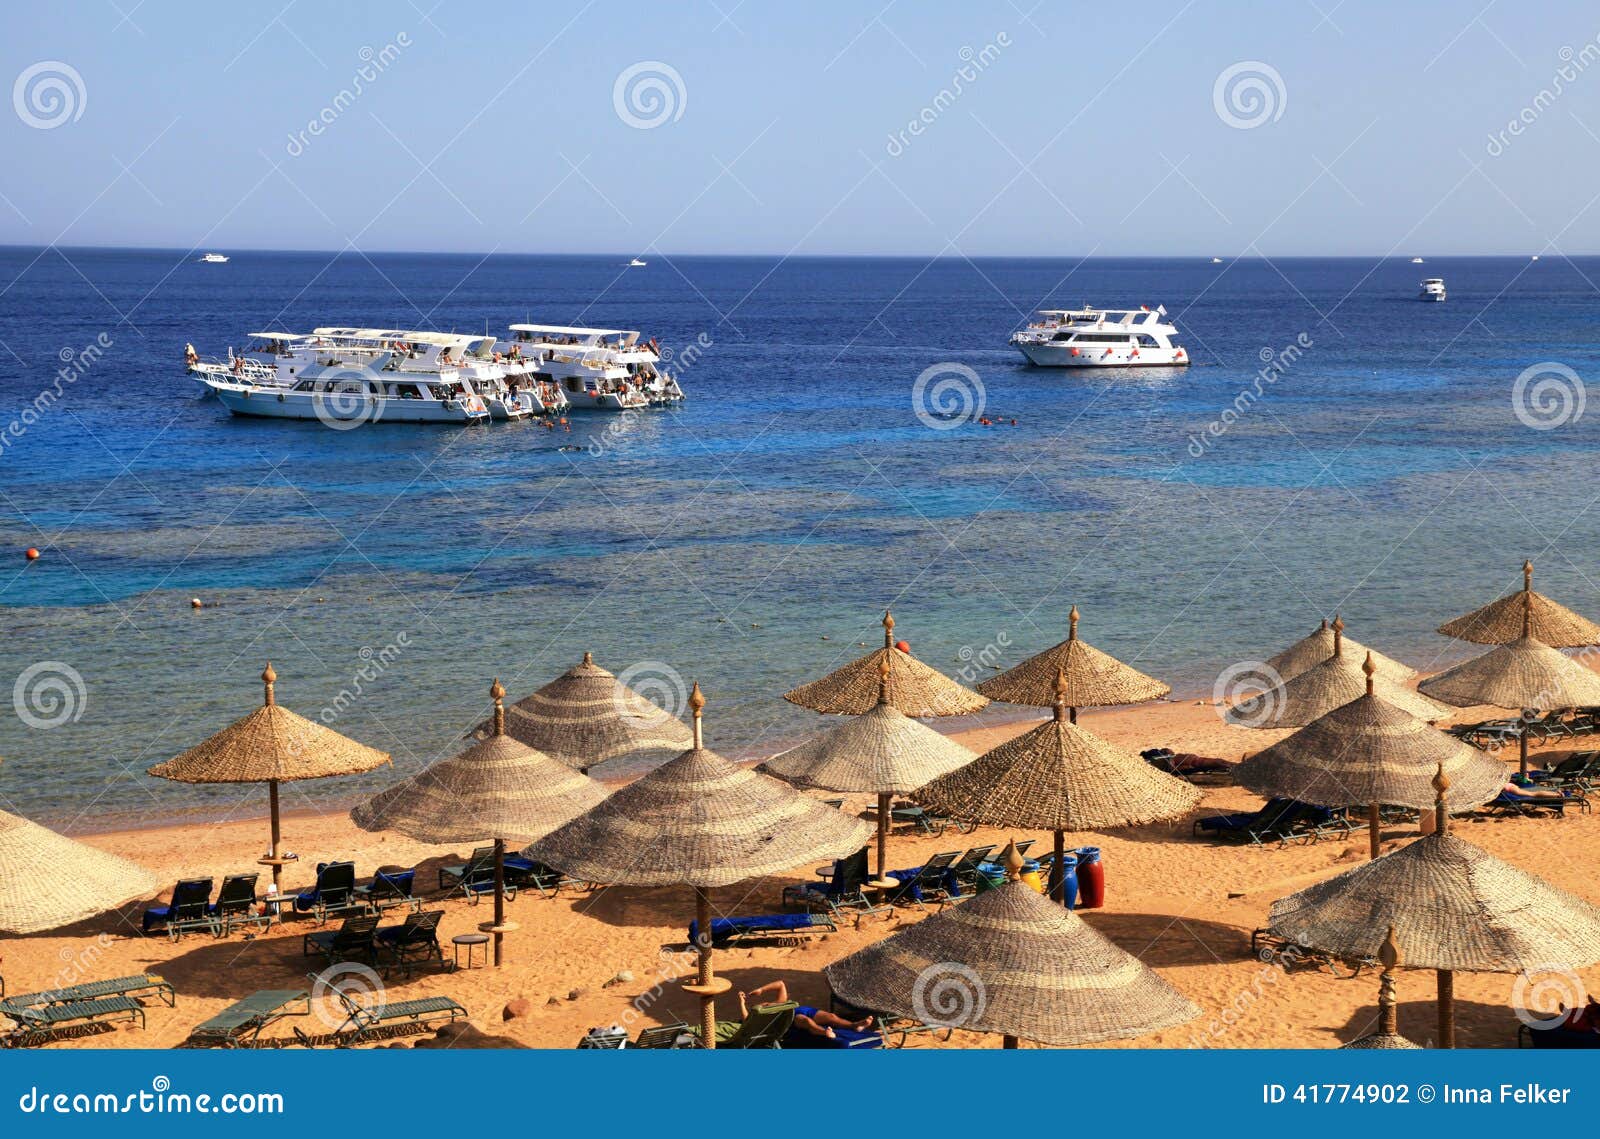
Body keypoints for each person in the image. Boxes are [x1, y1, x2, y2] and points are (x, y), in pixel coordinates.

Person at [738, 981, 873, 1040]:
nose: (763, 1003)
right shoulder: (761, 1014)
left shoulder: (779, 1003)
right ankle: (824, 1032)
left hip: (802, 1009)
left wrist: (761, 990)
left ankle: (854, 1026)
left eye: (765, 1003)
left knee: (831, 1016)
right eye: (762, 1004)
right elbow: (746, 1019)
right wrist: (742, 1002)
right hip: (789, 1020)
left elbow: (780, 984)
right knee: (806, 1022)